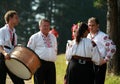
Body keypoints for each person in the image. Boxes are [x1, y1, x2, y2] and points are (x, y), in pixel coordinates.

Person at [27, 19, 57, 84]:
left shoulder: (53, 37)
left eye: (48, 26)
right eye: (44, 26)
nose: (46, 27)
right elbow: (29, 51)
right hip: (39, 64)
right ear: (39, 26)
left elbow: (55, 49)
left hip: (51, 64)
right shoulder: (34, 37)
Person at [87, 17, 116, 84]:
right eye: (89, 25)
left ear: (98, 25)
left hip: (100, 64)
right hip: (89, 64)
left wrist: (105, 60)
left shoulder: (103, 36)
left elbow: (113, 48)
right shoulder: (87, 36)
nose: (91, 27)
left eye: (93, 25)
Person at [0, 10, 24, 84]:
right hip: (2, 57)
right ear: (10, 19)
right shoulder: (2, 31)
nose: (18, 20)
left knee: (19, 81)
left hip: (11, 58)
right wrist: (4, 54)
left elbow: (13, 46)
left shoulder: (14, 33)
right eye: (16, 18)